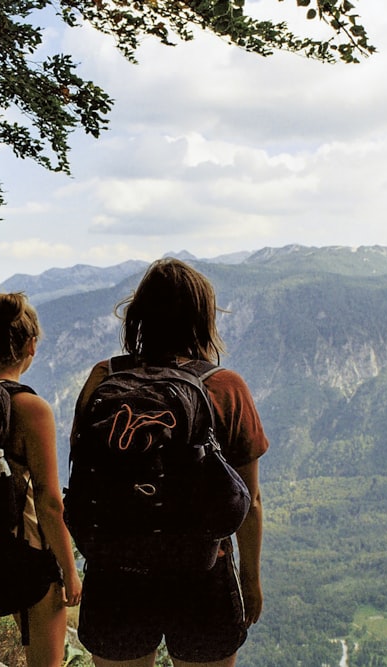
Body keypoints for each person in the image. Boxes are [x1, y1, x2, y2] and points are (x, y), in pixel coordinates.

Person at [74, 258, 268, 667]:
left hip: (114, 571)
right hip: (202, 573)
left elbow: (84, 468)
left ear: (139, 316)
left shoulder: (102, 378)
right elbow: (248, 501)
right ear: (202, 319)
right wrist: (250, 580)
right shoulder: (225, 387)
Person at [0, 292, 82, 667]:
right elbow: (49, 502)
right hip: (24, 550)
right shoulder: (31, 408)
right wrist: (70, 572)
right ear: (31, 345)